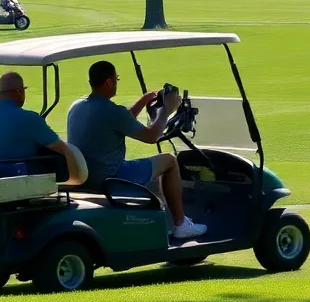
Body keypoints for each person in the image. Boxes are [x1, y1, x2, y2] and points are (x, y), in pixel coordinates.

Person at [0, 72, 88, 253]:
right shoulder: (29, 118)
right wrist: (74, 179)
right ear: (20, 91)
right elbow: (60, 147)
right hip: (18, 177)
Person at [67, 60, 206, 238]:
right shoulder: (113, 112)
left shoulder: (77, 106)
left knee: (157, 178)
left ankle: (165, 226)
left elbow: (123, 121)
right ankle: (180, 224)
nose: (116, 83)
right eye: (116, 79)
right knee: (169, 161)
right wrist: (166, 110)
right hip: (111, 178)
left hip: (86, 176)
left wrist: (143, 101)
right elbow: (152, 136)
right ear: (109, 82)